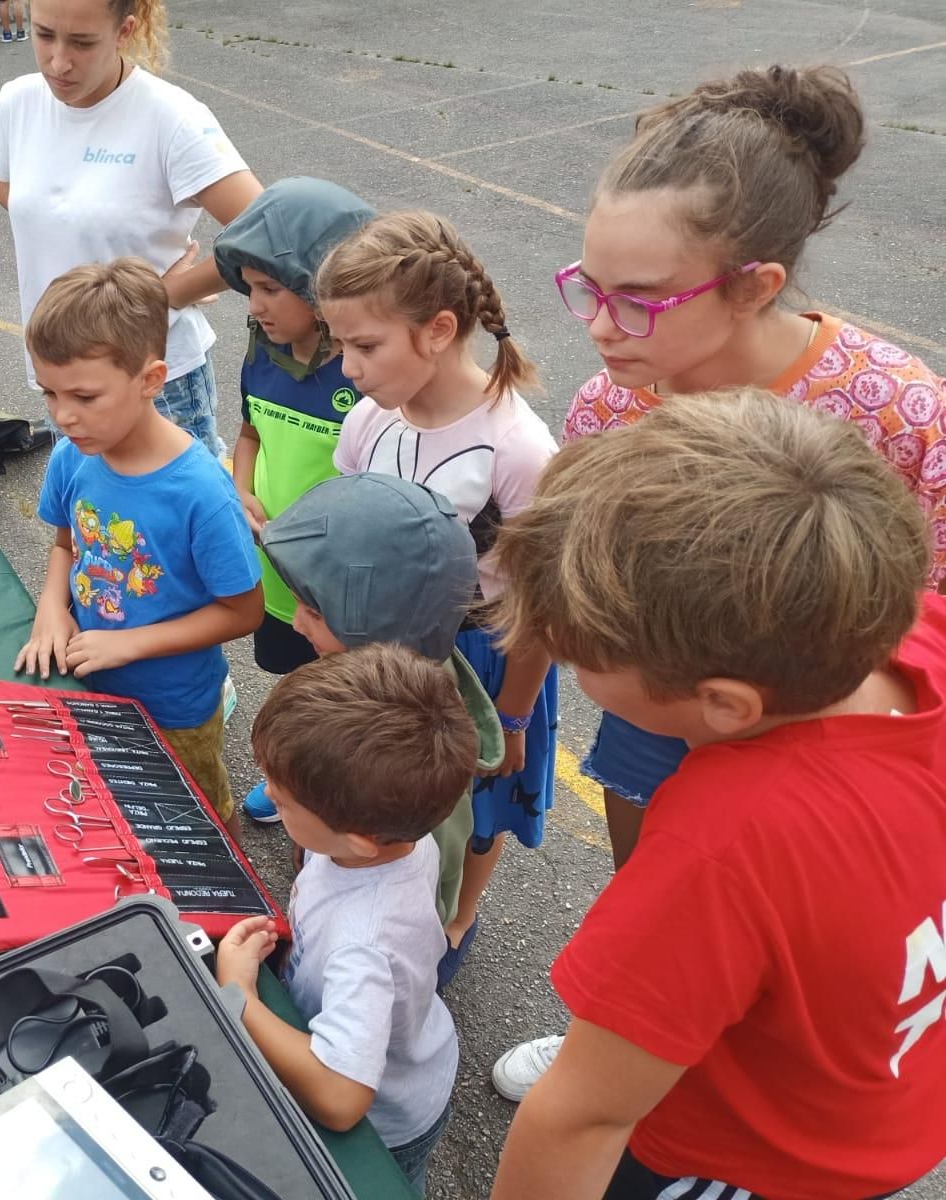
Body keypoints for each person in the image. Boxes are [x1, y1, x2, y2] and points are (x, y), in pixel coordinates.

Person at [492, 63, 946, 1103]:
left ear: (755, 285)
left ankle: (733, 1067)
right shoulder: (616, 404)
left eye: (640, 300)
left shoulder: (895, 409)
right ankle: (628, 1037)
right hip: (656, 703)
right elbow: (564, 575)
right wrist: (512, 709)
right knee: (658, 885)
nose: (600, 327)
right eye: (590, 289)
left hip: (826, 732)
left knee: (790, 935)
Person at [487, 392, 946, 1200]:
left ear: (727, 705)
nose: (568, 668)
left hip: (745, 1162)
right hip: (881, 1100)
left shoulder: (725, 844)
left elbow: (582, 1121)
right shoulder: (914, 632)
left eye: (582, 661)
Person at [316, 211, 559, 986]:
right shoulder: (365, 424)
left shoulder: (517, 450)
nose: (346, 366)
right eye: (339, 344)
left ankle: (458, 912)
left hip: (481, 661)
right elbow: (351, 537)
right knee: (385, 785)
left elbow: (539, 608)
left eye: (364, 345)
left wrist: (514, 717)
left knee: (479, 797)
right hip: (383, 650)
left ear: (437, 329)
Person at [216, 643, 475, 1194]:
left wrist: (239, 994)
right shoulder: (403, 837)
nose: (267, 799)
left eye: (282, 802)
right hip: (407, 1045)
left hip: (387, 1123)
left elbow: (340, 1098)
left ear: (356, 837)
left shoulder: (363, 943)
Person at [13, 259, 263, 823]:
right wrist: (52, 608)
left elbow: (244, 611)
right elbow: (63, 545)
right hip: (90, 679)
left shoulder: (201, 492)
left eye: (84, 396)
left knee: (191, 820)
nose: (64, 416)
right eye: (49, 393)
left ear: (151, 379)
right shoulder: (72, 455)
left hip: (174, 704)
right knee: (114, 809)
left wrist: (130, 644)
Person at [0, 0, 264, 457]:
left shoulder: (171, 119)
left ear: (124, 32)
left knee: (175, 524)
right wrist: (58, 220)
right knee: (95, 521)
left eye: (82, 42)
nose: (58, 61)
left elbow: (270, 227)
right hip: (60, 379)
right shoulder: (18, 102)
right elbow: (1, 178)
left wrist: (169, 293)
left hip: (154, 384)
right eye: (44, 34)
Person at [259, 472, 504, 929]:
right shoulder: (377, 667)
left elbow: (437, 876)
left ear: (383, 621)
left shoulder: (411, 745)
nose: (295, 624)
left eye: (314, 611)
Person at [211, 177, 374, 823]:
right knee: (296, 678)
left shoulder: (362, 371)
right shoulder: (264, 354)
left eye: (270, 289)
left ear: (322, 288)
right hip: (278, 572)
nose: (255, 306)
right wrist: (239, 486)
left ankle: (334, 790)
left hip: (340, 581)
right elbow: (249, 433)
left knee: (350, 689)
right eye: (249, 288)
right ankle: (297, 778)